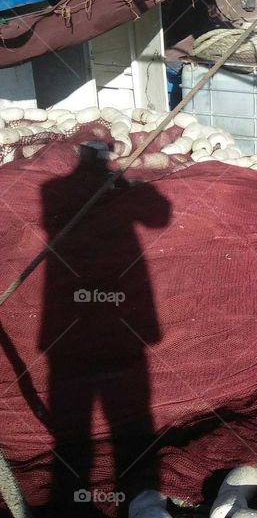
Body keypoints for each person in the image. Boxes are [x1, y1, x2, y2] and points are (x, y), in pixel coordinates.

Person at [39, 142, 170, 515]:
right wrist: (131, 182)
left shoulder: (50, 189)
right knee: (127, 405)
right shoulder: (103, 188)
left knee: (70, 415)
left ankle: (70, 494)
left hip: (64, 322)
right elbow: (159, 218)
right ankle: (129, 488)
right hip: (112, 319)